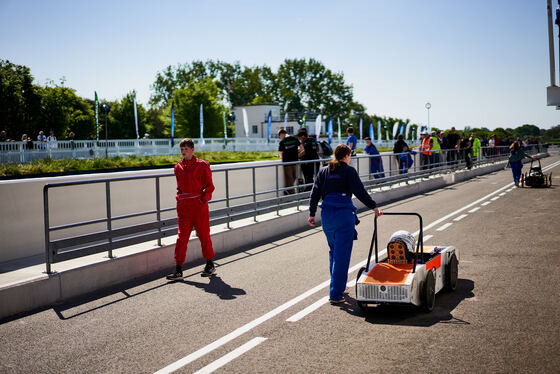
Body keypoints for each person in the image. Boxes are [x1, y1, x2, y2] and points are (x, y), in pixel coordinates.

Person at [308, 144, 382, 304]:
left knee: (334, 252)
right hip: (343, 215)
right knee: (342, 256)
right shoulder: (349, 171)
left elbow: (314, 192)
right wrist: (373, 206)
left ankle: (337, 286)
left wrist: (312, 213)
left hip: (327, 215)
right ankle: (335, 294)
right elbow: (360, 191)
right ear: (347, 156)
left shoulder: (323, 170)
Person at [166, 138, 217, 280]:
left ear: (192, 149)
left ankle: (210, 264)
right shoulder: (178, 167)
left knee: (204, 235)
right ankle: (178, 269)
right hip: (184, 208)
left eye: (186, 149)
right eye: (182, 149)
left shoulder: (203, 165)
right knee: (181, 238)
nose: (183, 152)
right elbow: (179, 188)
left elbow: (210, 186)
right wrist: (179, 199)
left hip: (199, 206)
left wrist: (203, 199)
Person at [278, 128, 301, 194]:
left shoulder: (282, 142)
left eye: (279, 136)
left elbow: (281, 154)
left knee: (290, 179)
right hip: (295, 161)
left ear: (281, 135)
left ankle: (291, 194)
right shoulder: (295, 139)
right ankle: (288, 191)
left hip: (287, 163)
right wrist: (296, 153)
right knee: (294, 178)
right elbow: (302, 148)